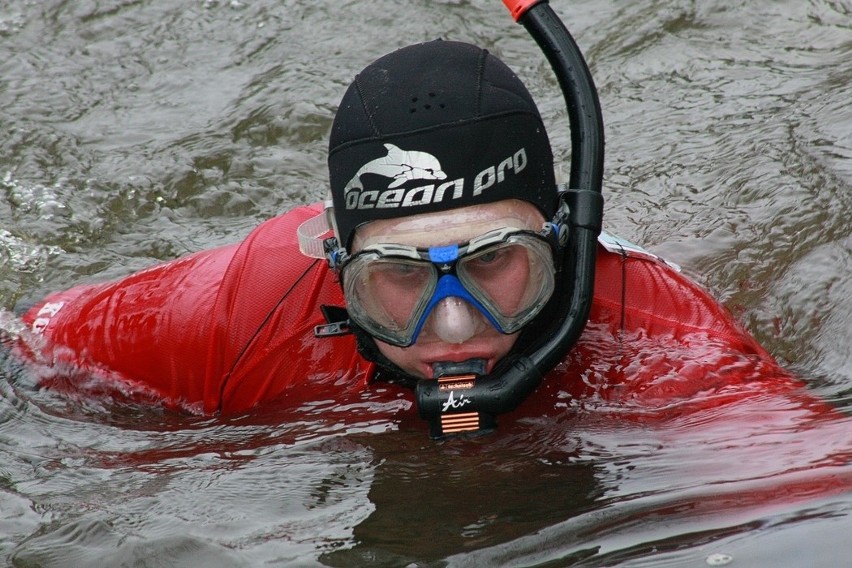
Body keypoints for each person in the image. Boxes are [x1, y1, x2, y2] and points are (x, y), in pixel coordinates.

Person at [14, 40, 835, 433]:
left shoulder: (654, 331)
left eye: (492, 263)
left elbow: (797, 498)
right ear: (336, 269)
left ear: (559, 241)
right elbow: (30, 348)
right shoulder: (247, 310)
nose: (451, 324)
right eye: (398, 278)